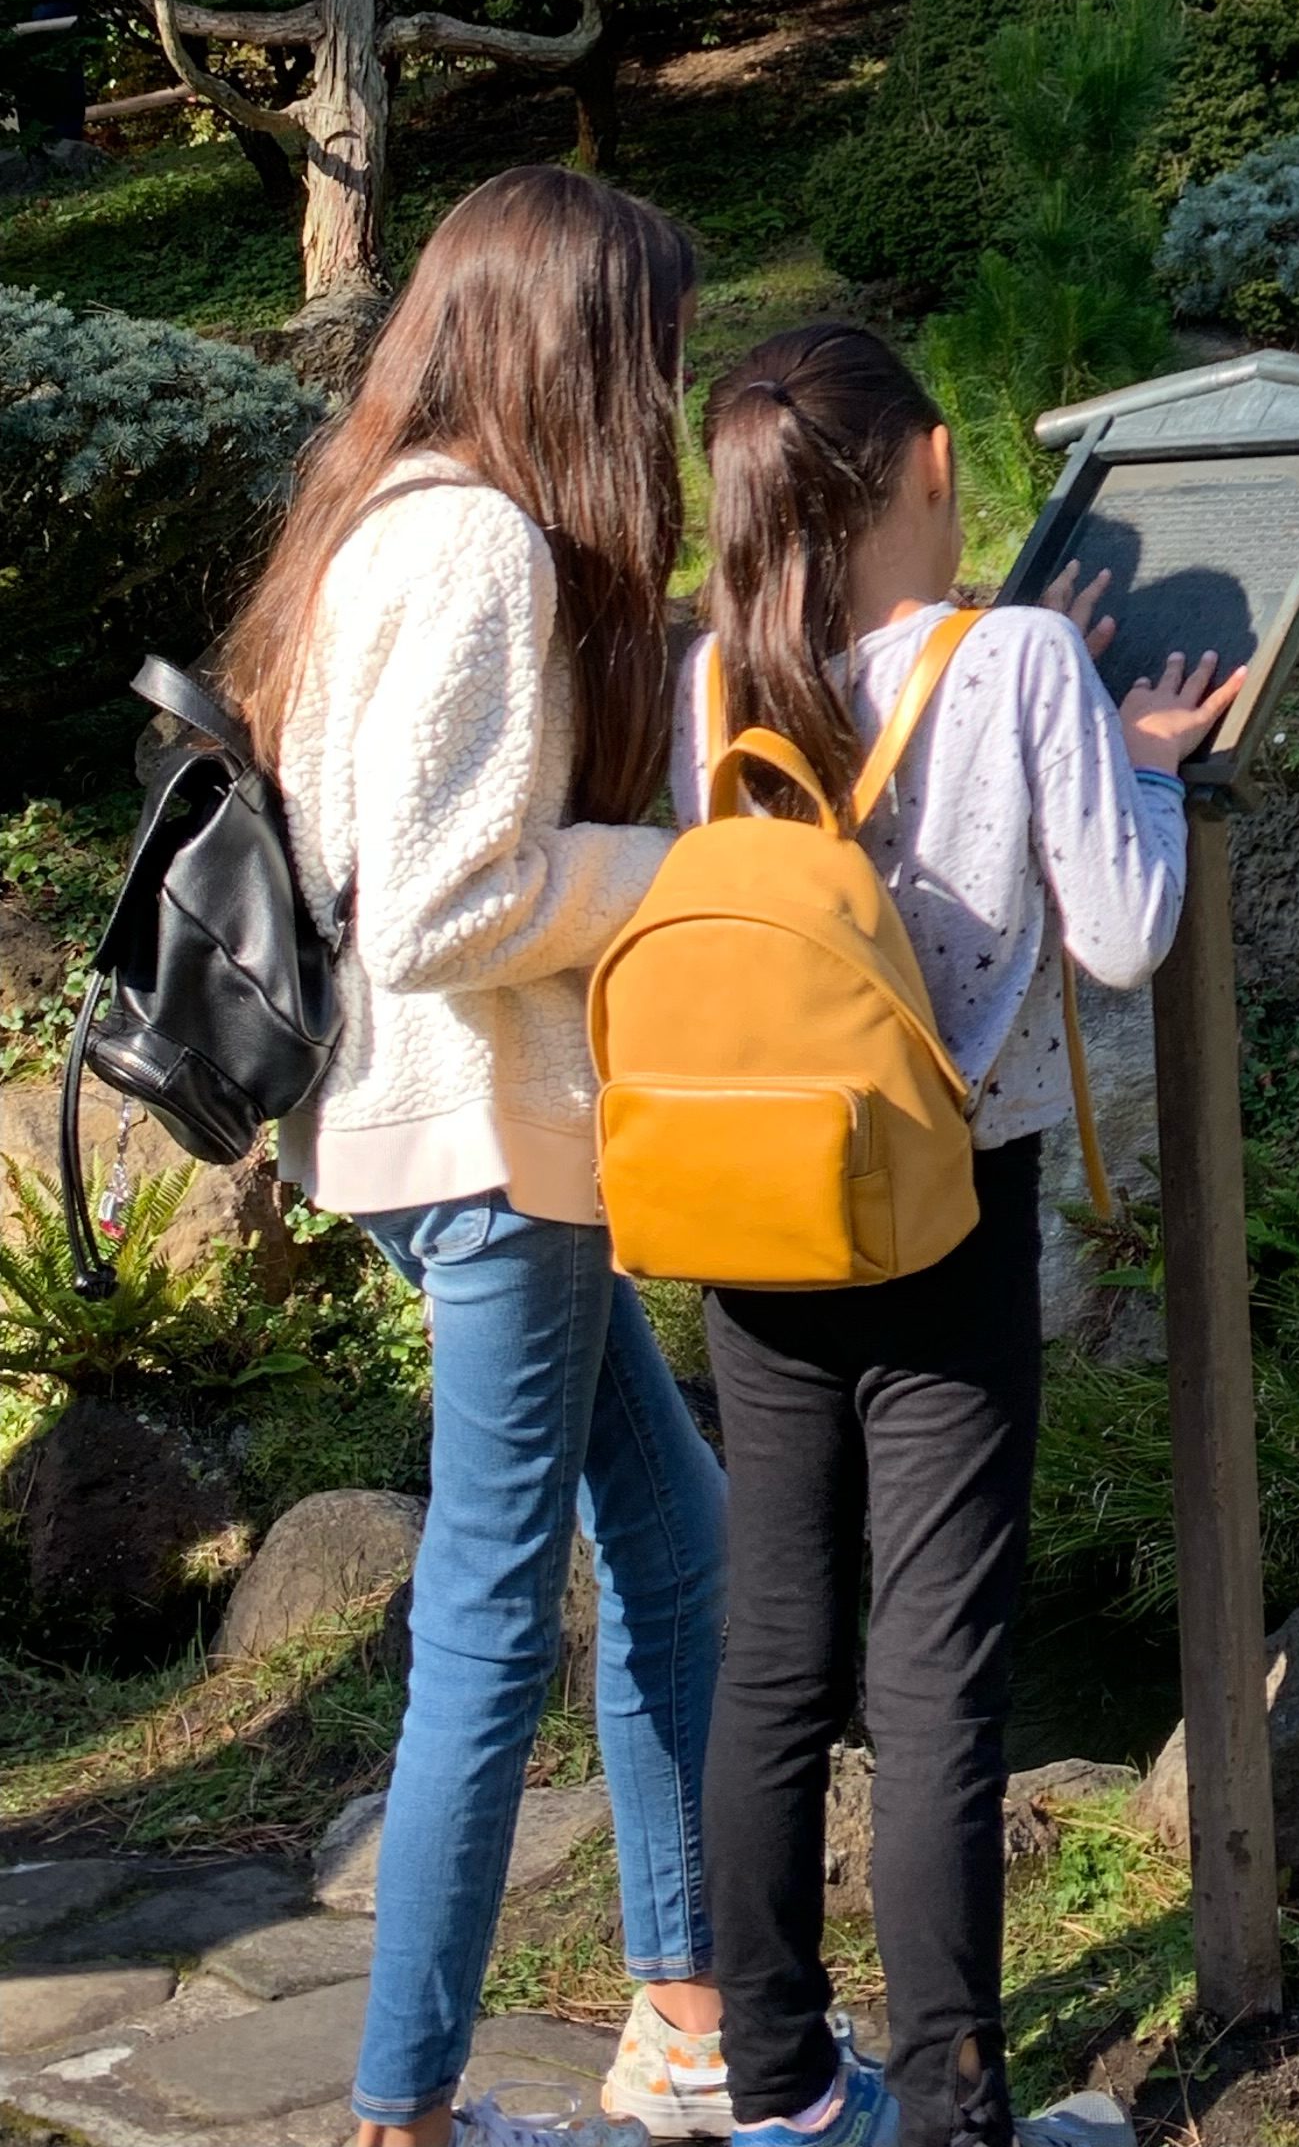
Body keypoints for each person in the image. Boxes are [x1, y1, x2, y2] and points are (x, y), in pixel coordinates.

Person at [679, 320, 1233, 2147]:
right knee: (935, 1667)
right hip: (941, 1211)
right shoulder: (1015, 667)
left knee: (775, 1643)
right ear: (931, 463)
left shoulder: (713, 680)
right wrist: (1135, 754)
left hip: (748, 1204)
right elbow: (1128, 930)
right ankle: (951, 2116)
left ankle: (772, 2090)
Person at [224, 169, 733, 2147]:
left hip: (453, 1139)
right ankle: (405, 2111)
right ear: (581, 348)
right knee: (494, 1625)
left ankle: (682, 2017)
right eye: (659, 349)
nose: (670, 392)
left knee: (675, 1547)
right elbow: (437, 900)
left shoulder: (385, 519)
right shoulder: (485, 550)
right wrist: (678, 875)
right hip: (486, 1148)